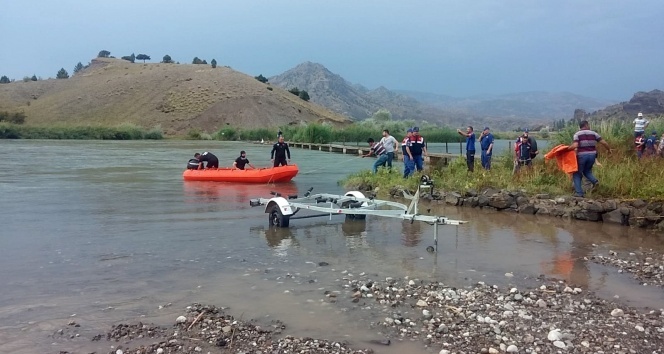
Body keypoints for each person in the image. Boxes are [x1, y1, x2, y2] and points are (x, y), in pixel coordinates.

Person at [567, 120, 611, 198]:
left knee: (577, 174)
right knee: (587, 171)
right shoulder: (594, 133)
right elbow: (604, 142)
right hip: (592, 155)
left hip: (582, 156)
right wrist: (608, 149)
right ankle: (595, 181)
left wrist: (566, 149)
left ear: (580, 127)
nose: (589, 126)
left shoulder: (577, 134)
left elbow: (575, 145)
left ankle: (579, 193)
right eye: (589, 125)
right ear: (586, 125)